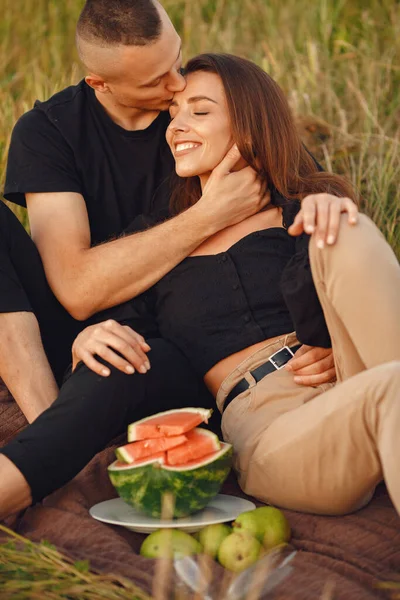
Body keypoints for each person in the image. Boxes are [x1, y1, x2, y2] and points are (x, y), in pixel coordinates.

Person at [0, 1, 357, 520]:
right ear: (100, 84)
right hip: (82, 323)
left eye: (177, 60)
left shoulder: (213, 113)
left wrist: (331, 332)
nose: (175, 86)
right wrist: (210, 214)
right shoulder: (50, 132)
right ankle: (46, 427)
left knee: (126, 362)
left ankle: (55, 453)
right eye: (155, 82)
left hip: (179, 342)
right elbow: (75, 290)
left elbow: (308, 202)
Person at [75, 53, 400, 517]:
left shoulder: (300, 207)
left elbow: (359, 292)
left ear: (248, 126)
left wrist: (327, 208)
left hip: (356, 371)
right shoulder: (156, 241)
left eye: (199, 112)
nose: (176, 127)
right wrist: (87, 335)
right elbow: (107, 313)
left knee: (346, 228)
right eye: (173, 115)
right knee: (391, 385)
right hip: (275, 426)